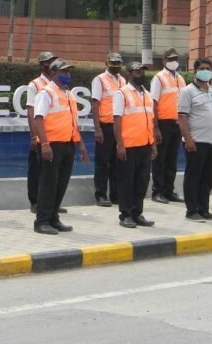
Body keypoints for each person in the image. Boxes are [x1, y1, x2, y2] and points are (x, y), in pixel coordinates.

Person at [33, 59, 89, 234]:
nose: (67, 75)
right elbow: (38, 119)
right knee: (48, 184)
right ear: (53, 73)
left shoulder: (69, 94)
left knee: (61, 183)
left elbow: (73, 122)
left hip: (67, 144)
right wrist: (44, 144)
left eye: (68, 72)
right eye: (64, 72)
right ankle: (42, 221)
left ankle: (53, 217)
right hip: (51, 145)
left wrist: (80, 144)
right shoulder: (46, 93)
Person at [113, 63, 157, 228]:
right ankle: (125, 215)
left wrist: (153, 144)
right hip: (128, 146)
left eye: (142, 71)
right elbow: (117, 121)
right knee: (127, 182)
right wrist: (120, 145)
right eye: (138, 71)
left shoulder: (147, 94)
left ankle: (137, 213)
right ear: (129, 74)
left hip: (145, 145)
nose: (141, 74)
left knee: (142, 181)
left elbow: (150, 121)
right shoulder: (122, 93)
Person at [179, 57, 212, 222]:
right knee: (193, 177)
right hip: (196, 142)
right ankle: (191, 211)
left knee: (207, 178)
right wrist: (188, 139)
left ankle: (204, 209)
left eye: (208, 69)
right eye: (202, 68)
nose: (206, 71)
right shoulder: (187, 91)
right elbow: (182, 117)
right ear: (195, 71)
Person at [150, 47, 186, 204]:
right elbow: (153, 102)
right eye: (170, 59)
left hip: (177, 123)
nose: (173, 62)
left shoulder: (181, 79)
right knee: (160, 159)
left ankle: (169, 191)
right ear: (164, 60)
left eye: (175, 59)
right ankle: (157, 192)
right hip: (163, 124)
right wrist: (156, 127)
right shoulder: (159, 78)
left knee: (172, 159)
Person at [91, 52, 126, 207]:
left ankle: (115, 195)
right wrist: (97, 129)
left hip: (119, 126)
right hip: (105, 126)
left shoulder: (123, 80)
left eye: (118, 63)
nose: (116, 65)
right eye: (113, 63)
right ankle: (101, 195)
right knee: (102, 162)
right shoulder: (99, 80)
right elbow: (95, 104)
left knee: (117, 163)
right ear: (106, 63)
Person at [26, 51, 58, 214]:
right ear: (41, 65)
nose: (50, 65)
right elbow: (31, 112)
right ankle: (35, 201)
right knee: (36, 170)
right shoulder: (35, 84)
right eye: (47, 62)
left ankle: (50, 202)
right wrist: (34, 136)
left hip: (55, 135)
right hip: (40, 135)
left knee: (52, 172)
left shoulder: (58, 84)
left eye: (52, 61)